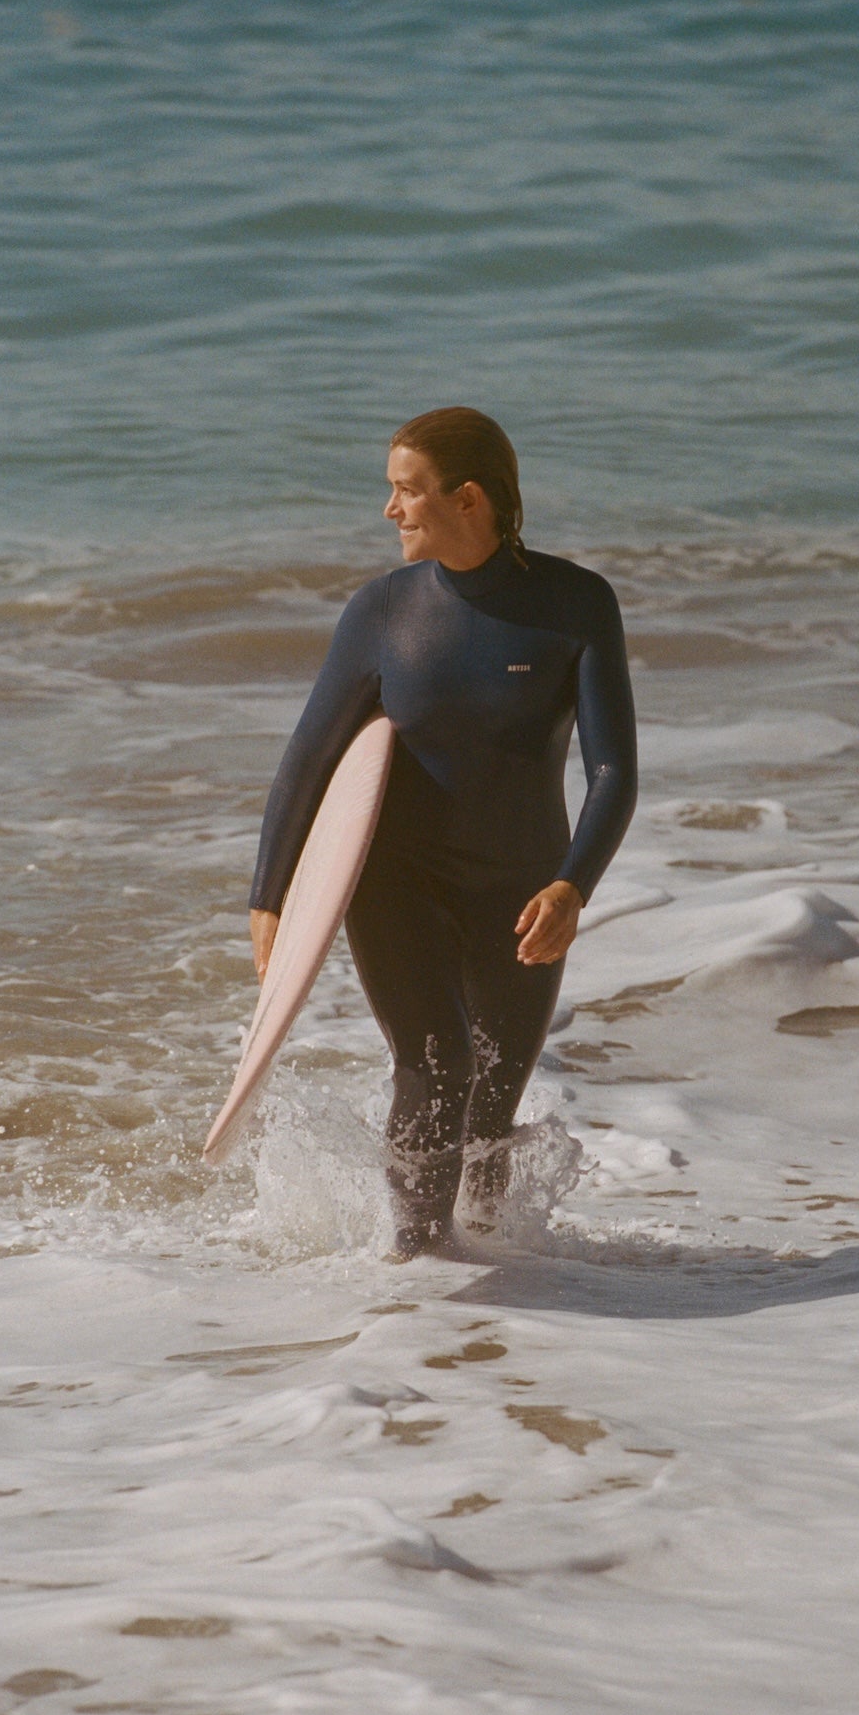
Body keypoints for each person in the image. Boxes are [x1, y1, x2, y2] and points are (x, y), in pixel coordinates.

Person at [248, 408, 637, 1259]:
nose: (389, 509)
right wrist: (269, 896)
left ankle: (489, 1276)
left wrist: (573, 884)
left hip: (522, 887)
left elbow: (611, 770)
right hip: (399, 882)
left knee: (494, 1101)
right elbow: (307, 759)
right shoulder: (382, 612)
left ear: (466, 498)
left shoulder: (574, 605)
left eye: (405, 490)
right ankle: (417, 1264)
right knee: (436, 1070)